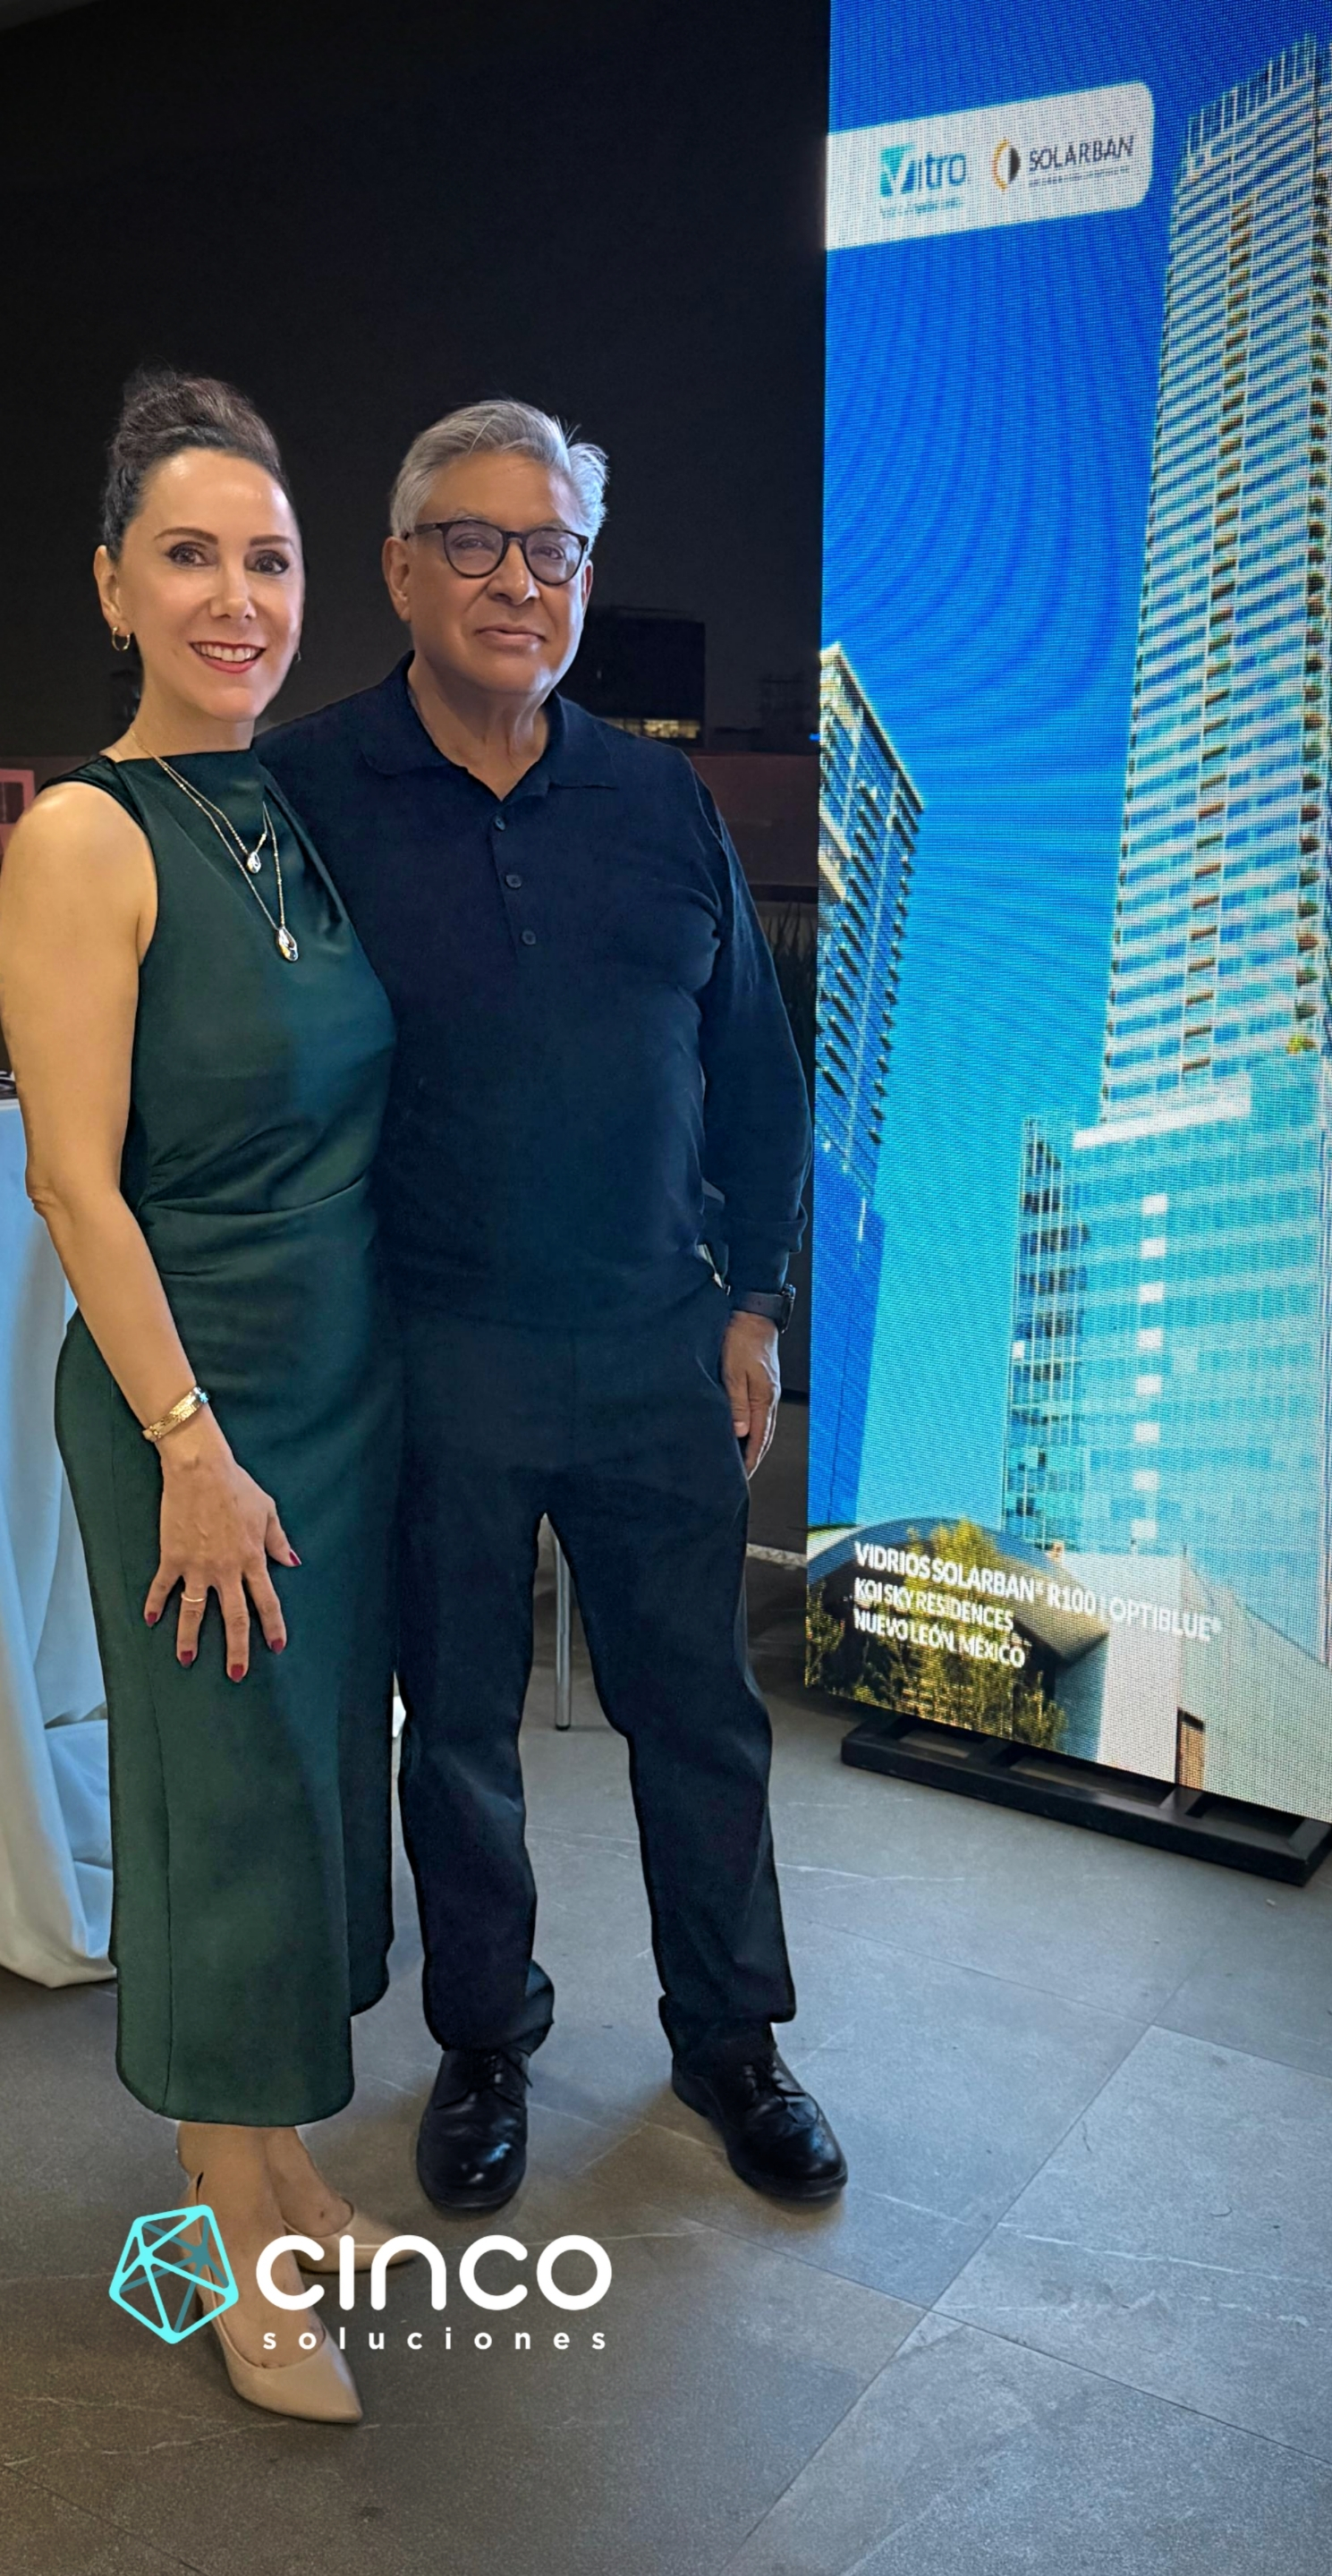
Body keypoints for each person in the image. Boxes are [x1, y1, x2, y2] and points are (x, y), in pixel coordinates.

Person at [264, 398, 846, 2212]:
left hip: (656, 1341)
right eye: (477, 542)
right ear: (400, 568)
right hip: (430, 1346)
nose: (520, 581)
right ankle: (486, 2042)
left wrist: (754, 1304)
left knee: (701, 1716)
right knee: (456, 1729)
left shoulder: (661, 800)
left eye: (556, 550)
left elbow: (755, 1072)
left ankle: (732, 2038)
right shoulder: (311, 788)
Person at [0, 369, 408, 2425]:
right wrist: (189, 1450)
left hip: (336, 1393)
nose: (238, 598)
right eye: (189, 556)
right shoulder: (87, 831)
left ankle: (272, 2157)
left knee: (310, 1788)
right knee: (225, 1810)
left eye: (269, 558)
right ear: (111, 587)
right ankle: (234, 2240)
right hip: (197, 1403)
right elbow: (76, 1181)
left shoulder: (284, 812)